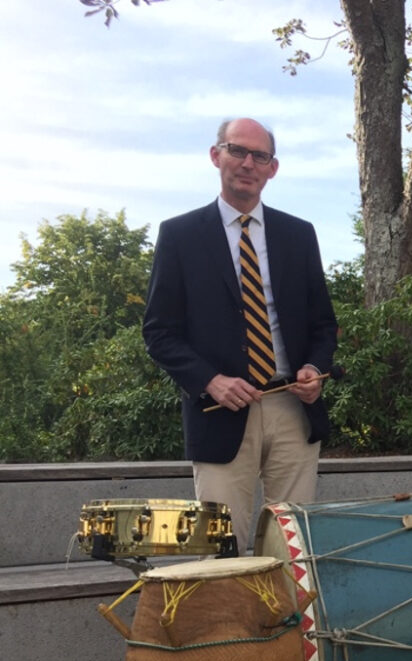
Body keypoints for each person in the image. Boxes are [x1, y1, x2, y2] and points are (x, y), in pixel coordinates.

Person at [143, 117, 338, 544]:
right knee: (221, 553)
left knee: (294, 550)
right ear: (217, 156)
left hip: (293, 409)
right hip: (219, 415)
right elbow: (159, 332)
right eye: (238, 151)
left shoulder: (299, 234)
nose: (248, 163)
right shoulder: (179, 235)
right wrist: (210, 381)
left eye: (260, 155)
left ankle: (286, 615)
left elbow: (324, 323)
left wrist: (313, 367)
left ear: (273, 167)